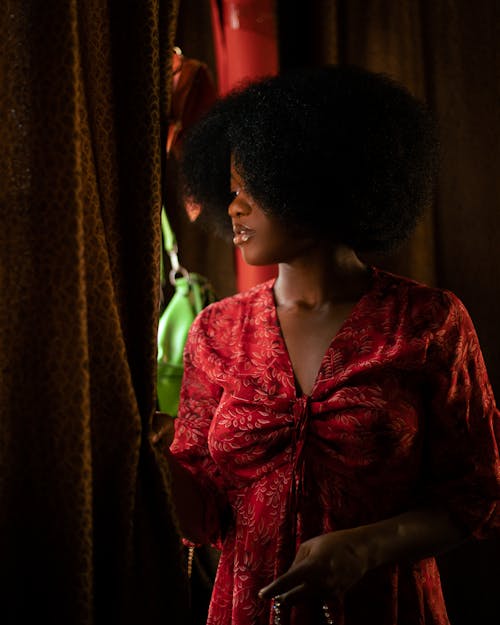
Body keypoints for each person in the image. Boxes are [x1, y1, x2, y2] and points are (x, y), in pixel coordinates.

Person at [162, 65, 500, 625]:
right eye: (231, 190)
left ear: (313, 180)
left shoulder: (429, 324)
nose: (234, 208)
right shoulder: (216, 332)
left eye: (251, 188)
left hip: (387, 609)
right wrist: (149, 451)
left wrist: (365, 548)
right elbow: (201, 518)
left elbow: (477, 493)